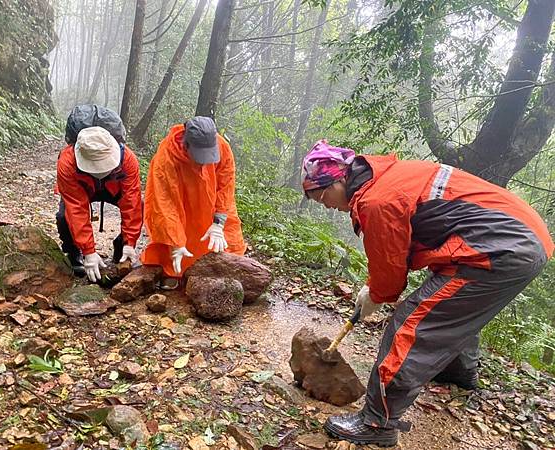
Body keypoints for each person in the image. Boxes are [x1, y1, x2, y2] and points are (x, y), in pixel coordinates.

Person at [301, 139, 553, 446]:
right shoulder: (388, 178)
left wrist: (376, 294)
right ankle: (458, 374)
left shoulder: (377, 200)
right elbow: (396, 253)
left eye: (323, 195)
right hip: (518, 239)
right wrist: (376, 289)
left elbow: (391, 279)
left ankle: (377, 423)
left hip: (498, 246)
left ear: (339, 178)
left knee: (411, 325)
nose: (325, 204)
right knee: (448, 306)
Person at [142, 116, 246, 289]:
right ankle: (171, 271)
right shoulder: (167, 157)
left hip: (213, 199)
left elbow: (226, 187)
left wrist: (218, 223)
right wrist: (175, 243)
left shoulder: (223, 148)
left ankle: (228, 275)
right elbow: (165, 203)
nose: (203, 161)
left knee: (229, 238)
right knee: (175, 234)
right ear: (186, 144)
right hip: (182, 199)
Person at [56, 125, 142, 282]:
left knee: (140, 207)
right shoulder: (67, 162)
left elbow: (131, 202)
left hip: (113, 187)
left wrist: (130, 241)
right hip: (84, 188)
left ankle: (122, 247)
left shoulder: (128, 159)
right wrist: (88, 251)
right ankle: (73, 251)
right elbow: (76, 209)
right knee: (63, 216)